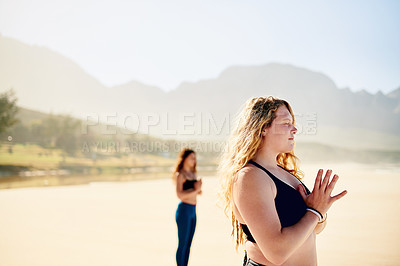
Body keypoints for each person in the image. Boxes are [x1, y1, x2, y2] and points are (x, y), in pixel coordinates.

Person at [218, 96, 347, 266]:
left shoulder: (284, 173)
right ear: (263, 128)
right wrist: (314, 211)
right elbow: (277, 253)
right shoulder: (250, 177)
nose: (294, 129)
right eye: (286, 123)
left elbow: (314, 229)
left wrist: (318, 212)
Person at [172, 148, 202, 266]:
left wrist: (198, 189)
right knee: (183, 244)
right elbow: (180, 195)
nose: (194, 160)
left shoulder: (193, 174)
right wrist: (196, 190)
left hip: (193, 211)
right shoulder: (181, 174)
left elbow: (196, 192)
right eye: (191, 158)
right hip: (184, 210)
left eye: (195, 158)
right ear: (184, 159)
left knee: (189, 244)